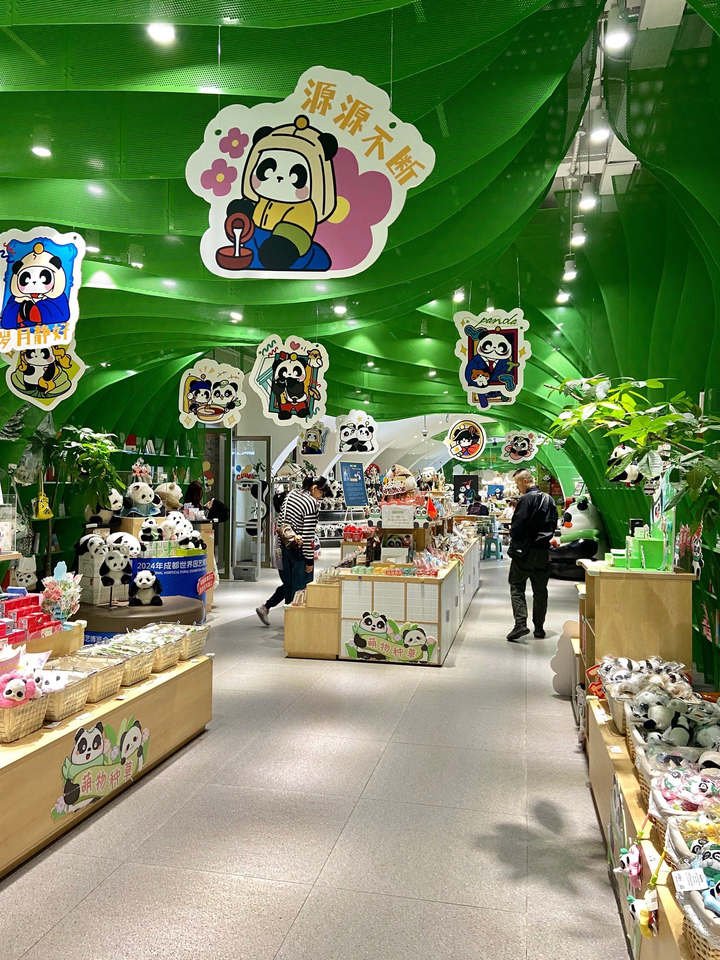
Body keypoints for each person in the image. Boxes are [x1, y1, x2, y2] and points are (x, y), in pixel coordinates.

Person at [506, 468, 558, 642]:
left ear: (525, 481)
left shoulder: (526, 499)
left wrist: (514, 537)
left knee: (517, 585)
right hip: (543, 552)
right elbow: (553, 524)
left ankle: (520, 623)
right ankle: (539, 628)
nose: (517, 487)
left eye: (517, 484)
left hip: (524, 552)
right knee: (540, 590)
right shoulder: (549, 500)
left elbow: (518, 525)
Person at [278, 475, 329, 605]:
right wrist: (309, 560)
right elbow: (307, 535)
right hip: (299, 550)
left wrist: (280, 546)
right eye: (321, 492)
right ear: (314, 488)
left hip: (286, 545)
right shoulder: (311, 503)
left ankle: (289, 616)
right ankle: (297, 617)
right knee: (300, 591)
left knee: (289, 587)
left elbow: (280, 523)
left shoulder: (291, 494)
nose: (321, 496)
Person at [256, 491, 288, 626]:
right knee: (289, 586)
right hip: (284, 558)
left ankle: (266, 607)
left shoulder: (283, 517)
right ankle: (266, 607)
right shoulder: (285, 519)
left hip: (281, 558)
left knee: (289, 585)